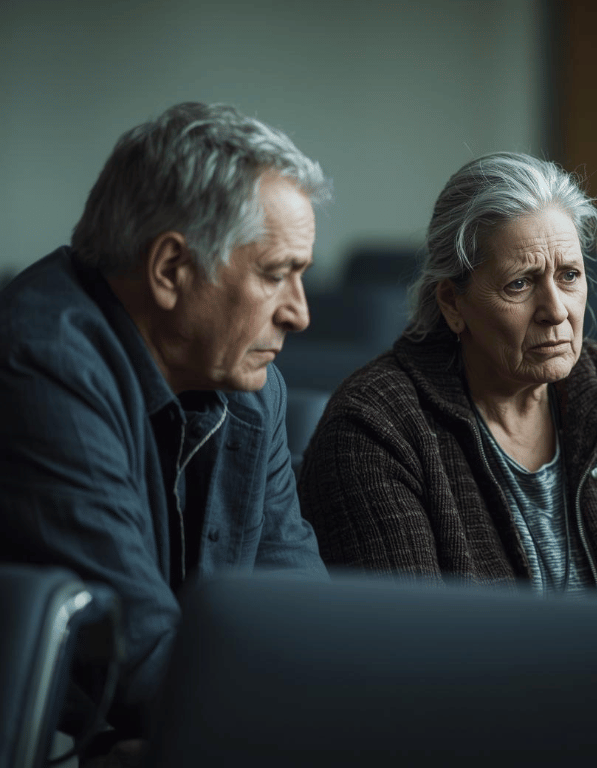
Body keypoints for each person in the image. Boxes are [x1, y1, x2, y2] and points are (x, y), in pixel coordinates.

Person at [0, 102, 331, 754]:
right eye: (275, 274)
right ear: (171, 270)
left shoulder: (248, 381)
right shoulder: (42, 361)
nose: (299, 314)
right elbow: (139, 656)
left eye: (303, 275)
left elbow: (300, 621)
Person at [298, 152, 597, 604]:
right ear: (453, 303)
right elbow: (416, 641)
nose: (556, 311)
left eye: (569, 276)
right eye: (520, 284)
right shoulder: (376, 428)